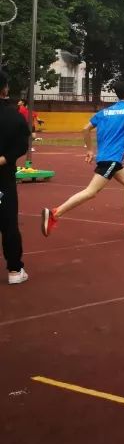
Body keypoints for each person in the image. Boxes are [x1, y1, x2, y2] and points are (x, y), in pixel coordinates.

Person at [41, 80, 124, 237]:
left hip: (108, 158)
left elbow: (85, 128)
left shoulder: (104, 112)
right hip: (111, 159)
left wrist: (89, 150)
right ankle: (55, 213)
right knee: (91, 191)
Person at [0, 69, 31, 284]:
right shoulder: (13, 115)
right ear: (5, 88)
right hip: (3, 177)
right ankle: (14, 270)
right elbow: (22, 144)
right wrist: (4, 158)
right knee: (8, 223)